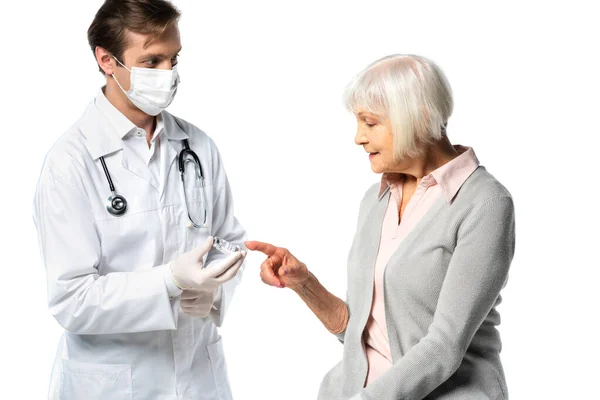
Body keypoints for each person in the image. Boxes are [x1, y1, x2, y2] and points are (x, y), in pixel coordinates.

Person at [247, 54, 516, 399]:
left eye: (370, 123)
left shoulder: (484, 204)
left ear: (418, 117)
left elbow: (444, 346)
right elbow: (359, 330)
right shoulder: (377, 199)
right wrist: (304, 284)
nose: (358, 137)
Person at [32, 1, 247, 399]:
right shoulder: (69, 163)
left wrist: (213, 290)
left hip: (199, 376)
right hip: (113, 384)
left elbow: (229, 241)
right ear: (107, 60)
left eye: (173, 59)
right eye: (151, 62)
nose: (169, 74)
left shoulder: (198, 146)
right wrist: (168, 282)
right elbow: (71, 299)